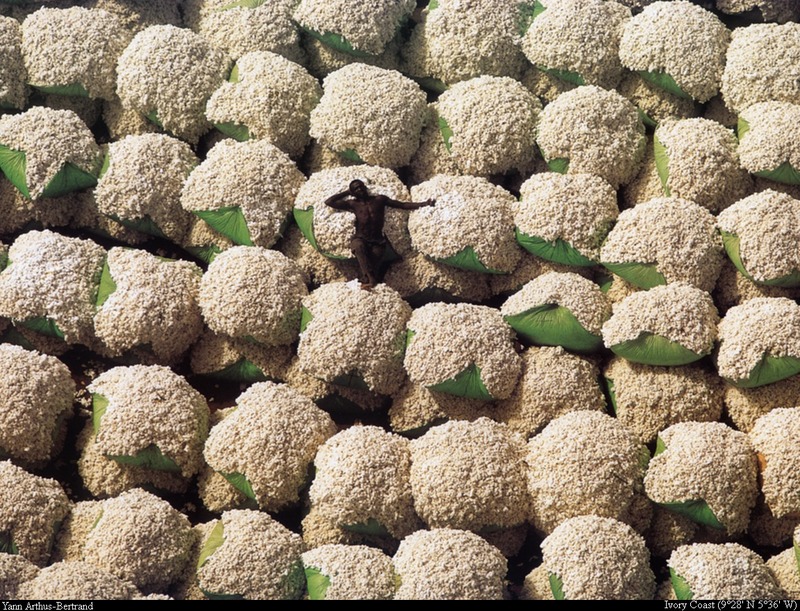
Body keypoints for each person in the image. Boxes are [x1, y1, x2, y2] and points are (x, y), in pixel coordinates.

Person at [325, 179, 435, 289]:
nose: (360, 189)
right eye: (356, 189)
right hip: (361, 238)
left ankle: (367, 281)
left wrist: (424, 204)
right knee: (358, 247)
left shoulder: (379, 200)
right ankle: (371, 280)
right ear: (353, 193)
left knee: (373, 264)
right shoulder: (353, 204)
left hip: (377, 240)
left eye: (361, 186)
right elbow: (329, 202)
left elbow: (403, 205)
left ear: (365, 187)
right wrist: (347, 192)